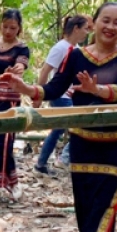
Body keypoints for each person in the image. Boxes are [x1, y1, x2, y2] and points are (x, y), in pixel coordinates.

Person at [3, 2, 117, 232]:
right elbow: (55, 87)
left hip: (116, 142)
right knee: (85, 200)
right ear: (95, 23)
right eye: (106, 20)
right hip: (81, 140)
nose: (110, 27)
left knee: (107, 201)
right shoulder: (76, 56)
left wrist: (97, 91)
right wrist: (28, 89)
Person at [0, 9, 30, 201]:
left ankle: (7, 183)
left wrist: (19, 69)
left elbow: (21, 65)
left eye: (13, 28)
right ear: (0, 25)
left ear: (19, 29)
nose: (9, 31)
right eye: (6, 26)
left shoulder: (22, 48)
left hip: (8, 100)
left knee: (4, 143)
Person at [34, 15, 91, 175]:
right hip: (60, 95)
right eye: (85, 28)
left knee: (61, 129)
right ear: (76, 29)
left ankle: (44, 163)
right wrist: (38, 95)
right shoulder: (61, 47)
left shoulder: (76, 49)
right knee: (77, 127)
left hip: (69, 95)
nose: (87, 32)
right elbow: (45, 70)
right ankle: (61, 160)